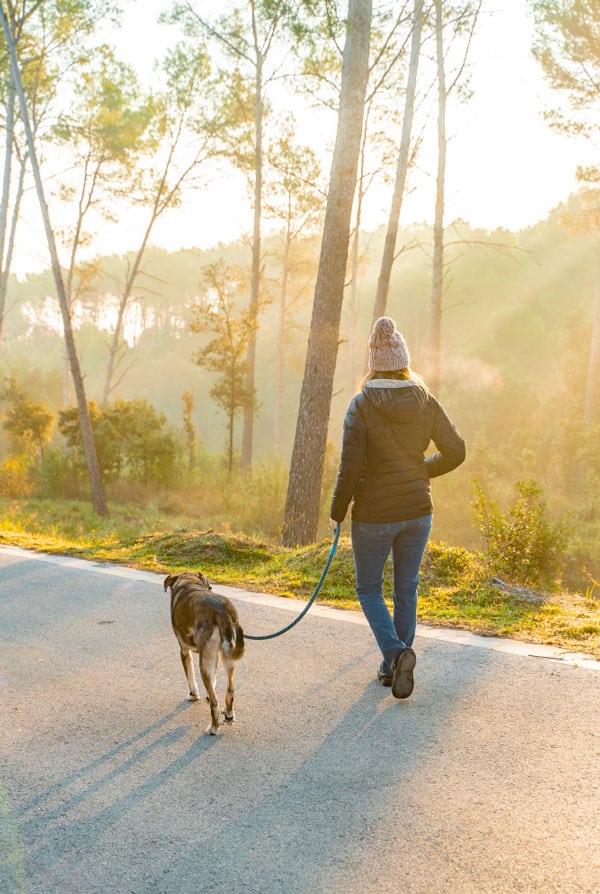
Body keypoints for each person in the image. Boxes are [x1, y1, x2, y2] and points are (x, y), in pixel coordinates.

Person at [329, 316, 465, 699]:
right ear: (404, 361)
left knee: (369, 588)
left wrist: (337, 510)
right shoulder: (424, 399)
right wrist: (422, 470)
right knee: (406, 589)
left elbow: (350, 466)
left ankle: (395, 655)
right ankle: (395, 668)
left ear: (373, 364)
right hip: (418, 511)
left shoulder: (361, 404)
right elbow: (457, 451)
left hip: (374, 514)